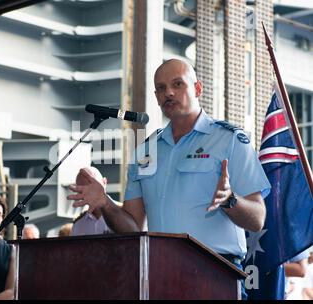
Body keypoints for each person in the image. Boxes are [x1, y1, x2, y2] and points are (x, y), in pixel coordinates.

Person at [68, 58, 271, 267]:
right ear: (157, 98)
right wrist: (105, 203)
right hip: (161, 271)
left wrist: (229, 199)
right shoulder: (145, 151)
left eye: (178, 84)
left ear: (197, 88)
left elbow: (257, 220)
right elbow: (134, 228)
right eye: (161, 88)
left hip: (216, 269)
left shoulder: (230, 140)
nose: (169, 93)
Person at [70, 167, 112, 236]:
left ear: (104, 182)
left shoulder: (123, 218)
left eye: (92, 186)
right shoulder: (78, 225)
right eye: (81, 189)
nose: (88, 192)